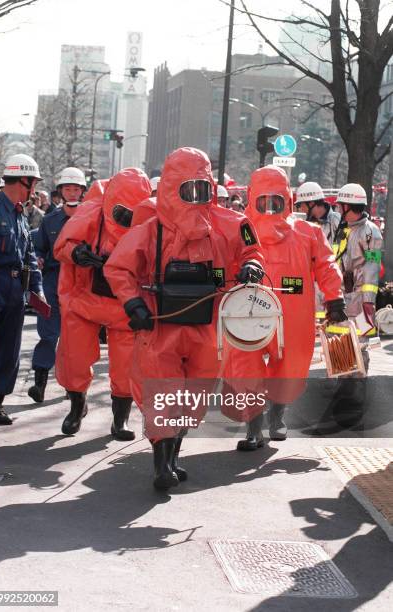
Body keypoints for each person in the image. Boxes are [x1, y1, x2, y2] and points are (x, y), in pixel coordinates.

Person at [104, 147, 264, 491]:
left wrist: (253, 266)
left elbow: (252, 249)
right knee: (163, 394)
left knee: (195, 396)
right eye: (186, 187)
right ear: (171, 187)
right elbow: (118, 267)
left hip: (208, 326)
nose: (194, 196)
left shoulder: (232, 224)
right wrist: (134, 305)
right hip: (161, 325)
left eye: (200, 187)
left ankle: (173, 456)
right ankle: (161, 464)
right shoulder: (150, 229)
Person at [226, 166, 345, 449]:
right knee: (245, 369)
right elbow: (222, 263)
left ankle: (277, 418)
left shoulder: (307, 233)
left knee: (289, 368)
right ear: (251, 198)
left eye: (275, 201)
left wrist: (335, 298)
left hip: (293, 316)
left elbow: (326, 266)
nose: (269, 208)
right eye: (262, 201)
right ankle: (254, 427)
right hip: (248, 313)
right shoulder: (240, 231)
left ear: (288, 200)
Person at [54, 168, 152, 439]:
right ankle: (76, 407)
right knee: (74, 358)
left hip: (124, 305)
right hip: (85, 299)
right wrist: (79, 253)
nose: (126, 219)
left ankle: (119, 420)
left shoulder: (149, 221)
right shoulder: (91, 212)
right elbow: (61, 247)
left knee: (125, 368)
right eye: (122, 211)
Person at [0, 154, 44, 425]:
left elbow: (29, 256)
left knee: (8, 350)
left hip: (15, 289)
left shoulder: (20, 214)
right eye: (32, 181)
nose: (34, 186)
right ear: (22, 180)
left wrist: (37, 289)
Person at [27, 167, 87, 403]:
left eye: (76, 189)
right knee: (48, 334)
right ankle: (39, 384)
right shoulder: (50, 219)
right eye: (67, 188)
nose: (72, 193)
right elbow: (39, 246)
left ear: (82, 191)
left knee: (74, 340)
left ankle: (73, 387)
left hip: (81, 285)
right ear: (60, 191)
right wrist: (39, 257)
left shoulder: (92, 218)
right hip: (51, 283)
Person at [326, 183, 383, 418]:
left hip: (360, 300)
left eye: (341, 205)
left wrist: (367, 302)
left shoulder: (370, 232)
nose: (339, 209)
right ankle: (343, 394)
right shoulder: (344, 228)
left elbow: (371, 267)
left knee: (359, 348)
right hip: (342, 297)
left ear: (351, 205)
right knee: (340, 345)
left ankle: (356, 400)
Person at [295, 181, 341, 321]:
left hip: (330, 279)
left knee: (330, 322)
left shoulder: (337, 221)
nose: (301, 209)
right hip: (311, 280)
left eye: (302, 205)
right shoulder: (304, 224)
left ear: (312, 203)